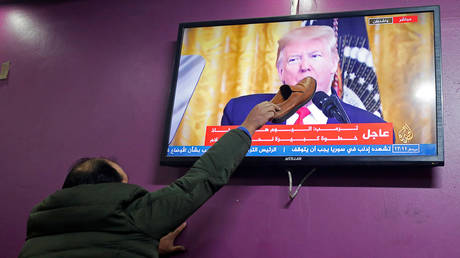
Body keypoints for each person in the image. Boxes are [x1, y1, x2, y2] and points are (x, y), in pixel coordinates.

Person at [19, 101, 280, 258]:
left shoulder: (39, 227)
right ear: (111, 189)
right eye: (124, 184)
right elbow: (202, 178)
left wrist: (145, 244)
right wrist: (247, 127)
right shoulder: (133, 212)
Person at [221, 25, 386, 126]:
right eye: (293, 59)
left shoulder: (369, 125)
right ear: (281, 71)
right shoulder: (239, 113)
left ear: (334, 64)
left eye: (315, 56)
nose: (305, 67)